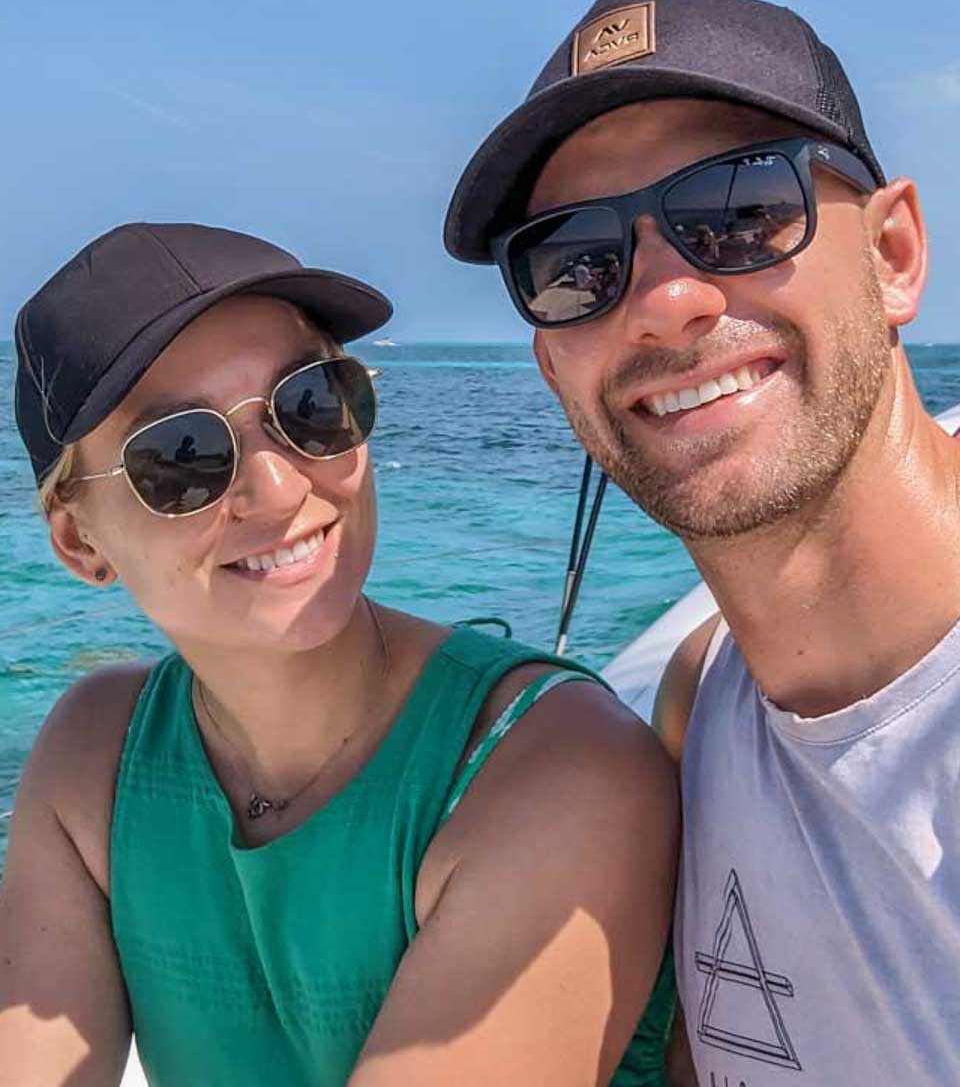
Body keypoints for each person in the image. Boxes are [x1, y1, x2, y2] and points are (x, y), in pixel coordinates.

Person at [0, 222, 678, 1085]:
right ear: (78, 541)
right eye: (181, 456)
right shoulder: (93, 759)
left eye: (312, 405)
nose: (280, 488)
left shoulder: (556, 768)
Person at [445, 0, 960, 1083]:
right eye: (574, 263)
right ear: (554, 371)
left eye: (739, 206)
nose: (666, 300)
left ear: (895, 254)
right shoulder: (703, 703)